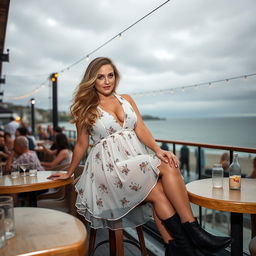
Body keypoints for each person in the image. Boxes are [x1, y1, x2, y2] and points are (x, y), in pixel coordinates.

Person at [47, 57, 231, 255]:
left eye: (110, 75)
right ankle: (194, 232)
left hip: (132, 163)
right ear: (93, 80)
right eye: (100, 77)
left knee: (162, 185)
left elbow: (140, 128)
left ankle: (178, 247)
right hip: (109, 170)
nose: (107, 81)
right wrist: (69, 172)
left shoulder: (126, 99)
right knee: (167, 169)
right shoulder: (86, 107)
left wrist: (158, 150)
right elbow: (82, 144)